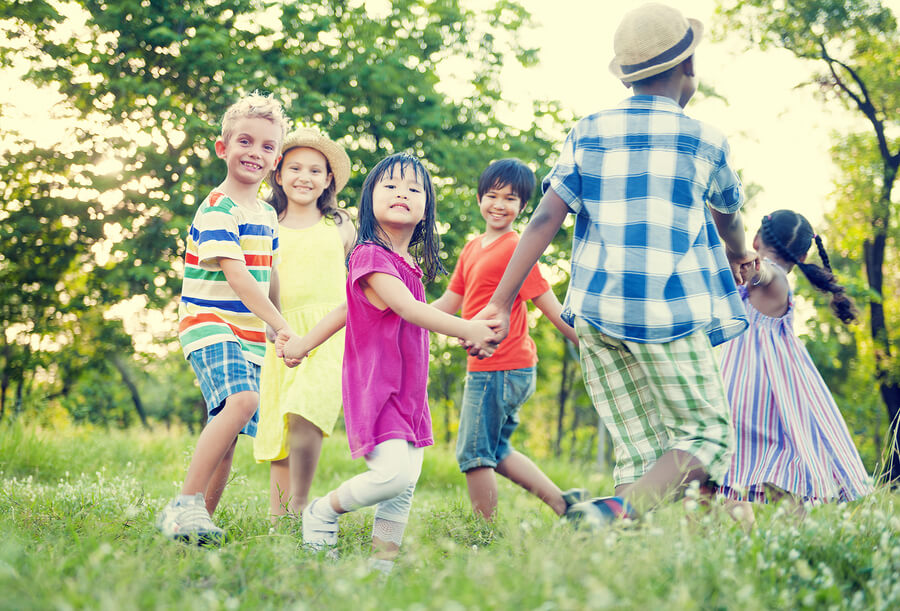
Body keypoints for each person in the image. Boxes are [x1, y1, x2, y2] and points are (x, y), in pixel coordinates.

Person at [472, 3, 758, 524]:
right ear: (689, 67)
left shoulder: (589, 130)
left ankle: (622, 552)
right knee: (707, 434)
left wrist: (497, 301)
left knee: (638, 445)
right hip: (667, 314)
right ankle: (610, 513)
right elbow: (728, 215)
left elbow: (543, 220)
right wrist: (741, 254)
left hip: (599, 315)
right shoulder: (705, 139)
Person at [276, 153, 499, 573]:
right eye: (391, 186)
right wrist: (467, 329)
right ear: (368, 201)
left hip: (409, 390)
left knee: (405, 482)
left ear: (425, 209)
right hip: (377, 386)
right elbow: (409, 309)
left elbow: (349, 308)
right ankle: (321, 512)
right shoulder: (368, 254)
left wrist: (304, 342)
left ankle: (383, 566)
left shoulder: (407, 264)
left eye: (414, 189)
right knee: (392, 475)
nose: (403, 193)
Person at [156, 93, 295, 544]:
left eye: (267, 147)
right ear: (223, 148)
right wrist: (283, 325)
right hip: (209, 323)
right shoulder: (218, 209)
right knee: (242, 402)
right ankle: (183, 505)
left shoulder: (269, 213)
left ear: (276, 159)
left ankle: (198, 524)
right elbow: (238, 277)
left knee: (230, 429)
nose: (255, 152)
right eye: (245, 142)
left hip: (250, 334)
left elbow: (267, 273)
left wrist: (275, 326)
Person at [431, 158, 587, 520]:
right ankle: (566, 505)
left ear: (523, 207)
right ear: (479, 198)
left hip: (504, 366)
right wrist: (401, 314)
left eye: (511, 199)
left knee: (474, 453)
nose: (499, 205)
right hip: (488, 368)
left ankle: (482, 533)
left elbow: (550, 306)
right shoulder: (473, 248)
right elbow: (449, 304)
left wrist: (588, 343)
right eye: (492, 195)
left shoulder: (519, 250)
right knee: (495, 450)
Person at [719, 210, 871, 524]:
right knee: (765, 479)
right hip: (767, 391)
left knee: (734, 477)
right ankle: (784, 544)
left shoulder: (772, 277)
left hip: (743, 386)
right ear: (802, 255)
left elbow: (763, 274)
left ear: (757, 239)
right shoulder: (763, 274)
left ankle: (764, 545)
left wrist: (747, 260)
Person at [253, 127, 356, 521]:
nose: (304, 177)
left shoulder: (341, 224)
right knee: (282, 423)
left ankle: (301, 502)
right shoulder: (266, 222)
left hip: (329, 331)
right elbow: (260, 277)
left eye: (316, 170)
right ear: (278, 174)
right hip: (277, 329)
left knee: (306, 410)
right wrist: (269, 320)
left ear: (328, 179)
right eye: (294, 167)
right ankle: (281, 517)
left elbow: (355, 278)